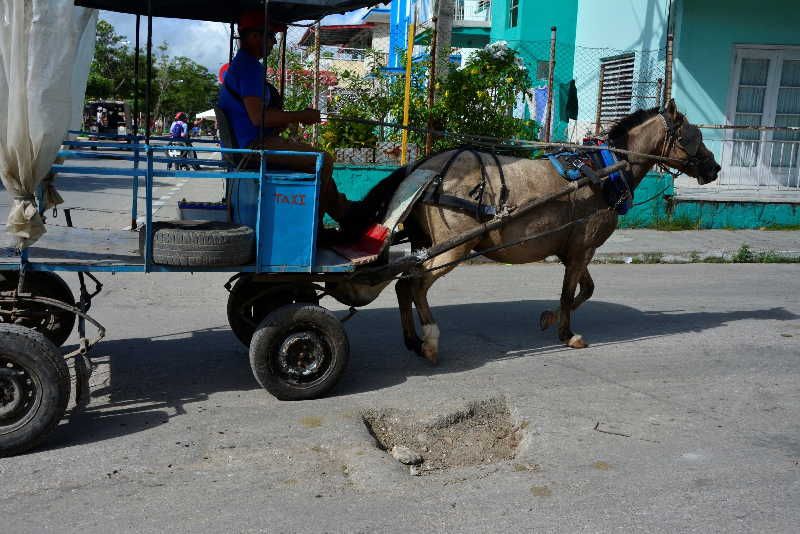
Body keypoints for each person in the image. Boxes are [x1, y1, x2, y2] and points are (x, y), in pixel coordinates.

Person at [218, 10, 351, 223]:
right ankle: (314, 229)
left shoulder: (241, 66)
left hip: (250, 144)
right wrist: (301, 115)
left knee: (317, 165)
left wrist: (289, 119)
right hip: (254, 147)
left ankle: (347, 216)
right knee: (323, 160)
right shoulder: (250, 67)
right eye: (270, 36)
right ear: (254, 37)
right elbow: (257, 118)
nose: (273, 42)